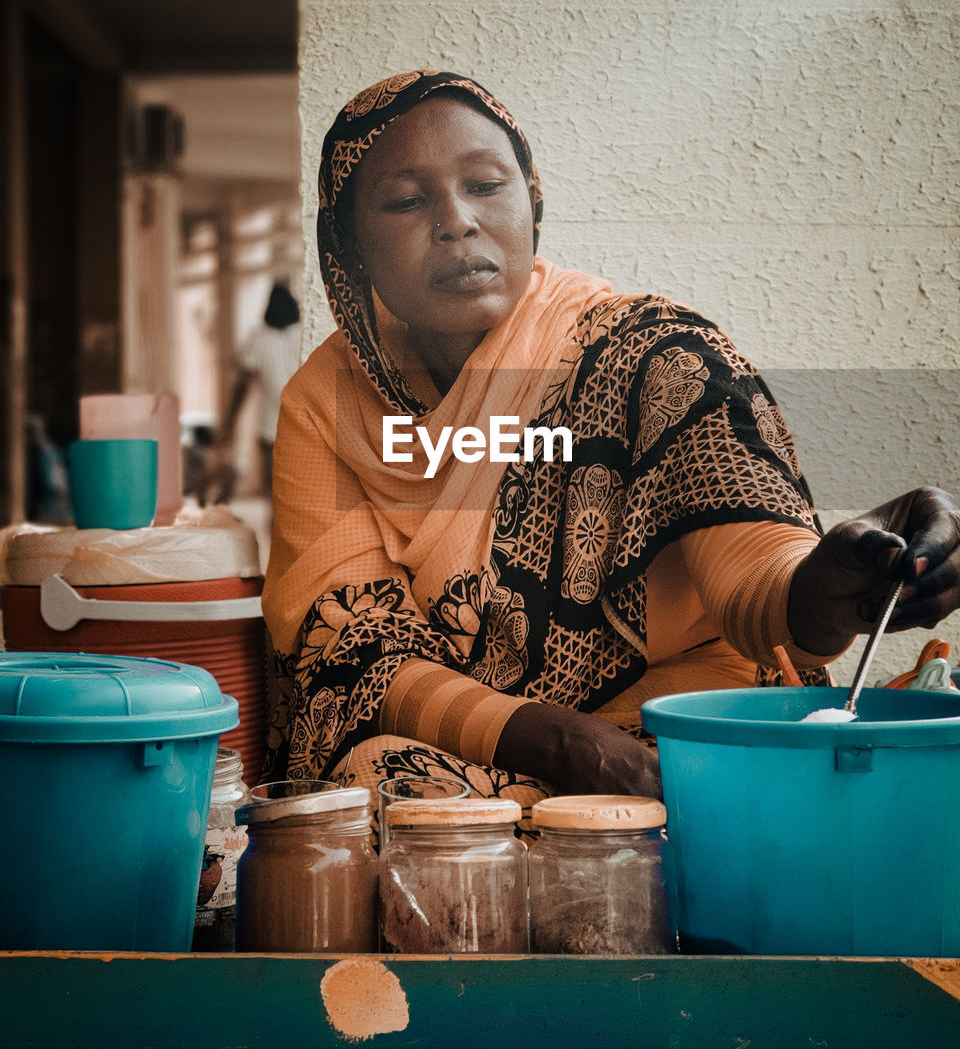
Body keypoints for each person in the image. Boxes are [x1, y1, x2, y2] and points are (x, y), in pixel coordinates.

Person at [261, 69, 960, 818]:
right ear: (347, 245)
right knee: (373, 784)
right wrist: (559, 743)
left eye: (487, 186)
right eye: (405, 200)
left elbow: (760, 585)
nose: (456, 220)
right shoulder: (327, 400)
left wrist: (837, 584)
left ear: (532, 199)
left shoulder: (657, 357)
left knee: (700, 794)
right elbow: (353, 647)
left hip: (673, 736)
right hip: (485, 749)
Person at [209, 282, 301, 499]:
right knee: (300, 493)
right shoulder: (306, 332)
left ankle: (275, 531)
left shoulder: (258, 338)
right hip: (304, 427)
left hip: (271, 430)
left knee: (274, 494)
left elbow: (242, 386)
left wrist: (229, 424)